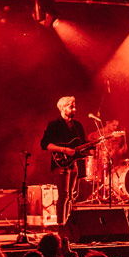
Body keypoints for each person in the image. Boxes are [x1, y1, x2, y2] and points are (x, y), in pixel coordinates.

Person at [40, 96, 86, 225]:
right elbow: (45, 144)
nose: (74, 109)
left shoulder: (77, 125)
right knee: (63, 196)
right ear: (62, 107)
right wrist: (64, 150)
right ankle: (61, 225)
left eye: (74, 106)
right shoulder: (54, 125)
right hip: (60, 164)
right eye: (71, 107)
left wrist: (91, 148)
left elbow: (82, 144)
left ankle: (69, 225)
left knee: (72, 196)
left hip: (74, 165)